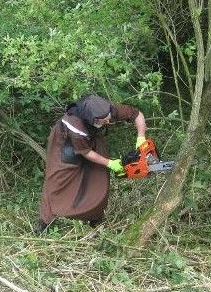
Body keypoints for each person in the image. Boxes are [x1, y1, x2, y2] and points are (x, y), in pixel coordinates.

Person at [38, 94, 147, 233]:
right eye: (104, 121)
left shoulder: (108, 110)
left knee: (98, 176)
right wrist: (110, 162)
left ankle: (92, 217)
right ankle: (46, 223)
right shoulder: (74, 124)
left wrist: (141, 136)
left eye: (109, 119)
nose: (108, 122)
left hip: (90, 139)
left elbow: (136, 114)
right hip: (64, 142)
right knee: (57, 180)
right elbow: (86, 152)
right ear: (92, 119)